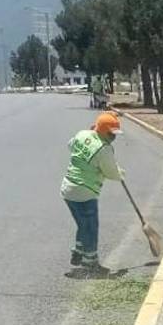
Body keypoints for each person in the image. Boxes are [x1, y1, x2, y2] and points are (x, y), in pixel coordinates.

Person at [61, 112, 124, 269]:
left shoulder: (82, 134)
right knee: (90, 225)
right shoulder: (104, 148)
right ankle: (90, 261)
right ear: (103, 131)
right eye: (111, 134)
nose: (113, 137)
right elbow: (111, 172)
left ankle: (79, 249)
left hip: (68, 188)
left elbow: (70, 145)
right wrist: (121, 174)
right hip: (85, 191)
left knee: (83, 223)